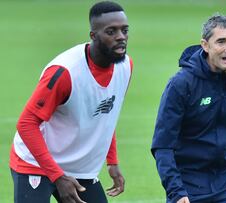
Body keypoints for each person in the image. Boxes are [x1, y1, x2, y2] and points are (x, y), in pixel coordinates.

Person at [9, 1, 133, 203]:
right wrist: (57, 176)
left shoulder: (125, 66)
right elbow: (26, 124)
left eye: (124, 30)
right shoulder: (65, 73)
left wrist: (112, 160)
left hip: (79, 167)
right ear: (93, 36)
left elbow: (107, 114)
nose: (120, 37)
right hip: (36, 163)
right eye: (111, 32)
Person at [151, 14, 226, 203]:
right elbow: (163, 144)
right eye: (221, 42)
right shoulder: (181, 84)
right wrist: (176, 191)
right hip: (188, 180)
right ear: (205, 45)